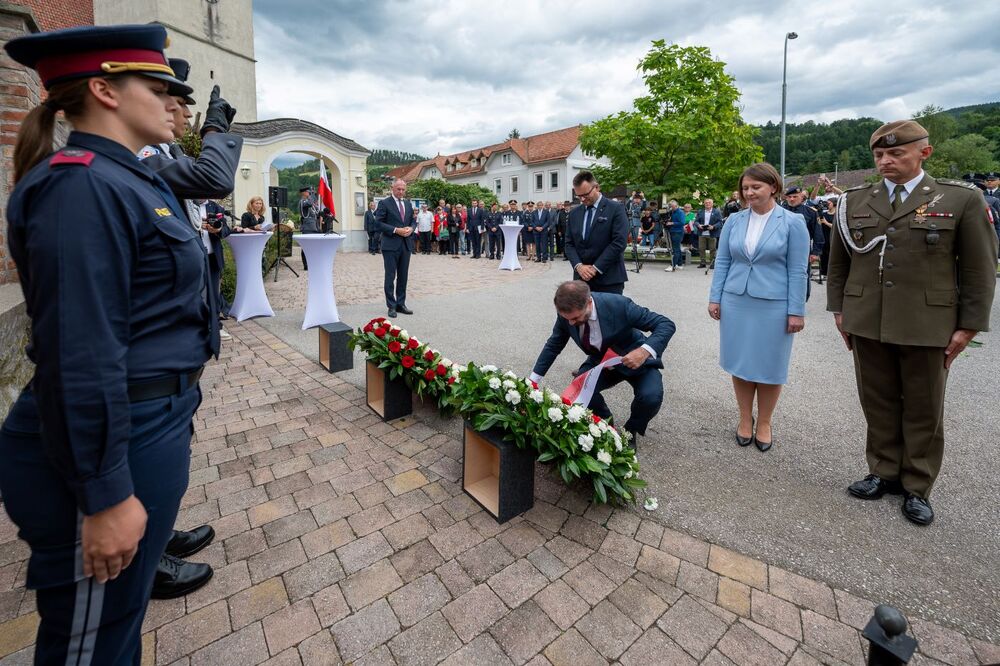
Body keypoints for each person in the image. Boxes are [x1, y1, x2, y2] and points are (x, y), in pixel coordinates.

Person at [0, 24, 216, 663]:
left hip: (151, 420)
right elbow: (80, 354)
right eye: (158, 87)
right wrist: (105, 493)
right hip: (119, 433)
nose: (173, 101)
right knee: (91, 642)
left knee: (113, 625)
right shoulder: (81, 188)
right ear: (104, 90)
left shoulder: (131, 180)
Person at [827, 120, 998, 526]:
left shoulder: (960, 199)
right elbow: (839, 264)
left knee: (923, 407)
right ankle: (883, 471)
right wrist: (840, 310)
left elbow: (979, 268)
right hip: (867, 318)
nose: (885, 161)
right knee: (878, 401)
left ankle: (917, 486)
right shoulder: (856, 200)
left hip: (928, 322)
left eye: (895, 153)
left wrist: (969, 324)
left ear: (924, 152)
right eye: (879, 155)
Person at [708, 163, 809, 453]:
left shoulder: (792, 223)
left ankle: (764, 421)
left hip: (774, 304)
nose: (749, 192)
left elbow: (798, 270)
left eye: (756, 187)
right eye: (746, 187)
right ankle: (744, 418)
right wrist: (715, 298)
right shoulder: (733, 221)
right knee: (739, 361)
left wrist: (796, 310)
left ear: (773, 187)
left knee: (770, 364)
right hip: (736, 300)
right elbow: (723, 261)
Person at [529, 281, 675, 448]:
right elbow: (554, 345)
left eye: (575, 318)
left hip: (634, 358)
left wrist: (643, 351)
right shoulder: (567, 315)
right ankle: (605, 425)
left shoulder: (619, 305)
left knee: (651, 397)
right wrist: (533, 381)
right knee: (579, 391)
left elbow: (665, 324)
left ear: (589, 302)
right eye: (566, 319)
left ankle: (630, 430)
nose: (570, 323)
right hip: (601, 361)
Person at [565, 171, 628, 294]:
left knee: (609, 313)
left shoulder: (615, 208)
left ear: (597, 187)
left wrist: (595, 268)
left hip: (609, 279)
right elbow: (569, 243)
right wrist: (579, 266)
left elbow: (619, 242)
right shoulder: (574, 213)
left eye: (585, 194)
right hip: (581, 280)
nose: (582, 199)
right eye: (579, 196)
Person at [375, 178, 416, 317]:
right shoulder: (384, 203)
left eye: (403, 189)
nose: (401, 191)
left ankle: (400, 304)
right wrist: (395, 230)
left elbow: (413, 221)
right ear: (392, 188)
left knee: (403, 276)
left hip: (406, 244)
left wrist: (411, 228)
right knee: (390, 276)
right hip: (390, 245)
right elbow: (378, 223)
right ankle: (391, 306)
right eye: (398, 189)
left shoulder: (408, 204)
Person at [696, 198, 724, 268]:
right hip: (702, 233)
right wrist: (699, 225)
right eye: (706, 203)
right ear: (704, 204)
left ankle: (712, 263)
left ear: (712, 204)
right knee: (701, 248)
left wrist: (713, 227)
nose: (707, 204)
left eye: (709, 203)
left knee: (712, 249)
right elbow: (696, 221)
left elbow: (720, 222)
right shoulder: (700, 211)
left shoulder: (717, 212)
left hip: (712, 233)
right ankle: (702, 263)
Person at [298, 187, 319, 270]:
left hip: (313, 227)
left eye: (309, 192)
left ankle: (312, 262)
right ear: (303, 193)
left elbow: (316, 210)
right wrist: (311, 195)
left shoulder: (309, 202)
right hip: (307, 227)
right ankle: (306, 265)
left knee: (314, 246)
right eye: (308, 192)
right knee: (306, 246)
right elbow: (310, 203)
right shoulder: (303, 201)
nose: (309, 193)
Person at [663, 200, 686, 272]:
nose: (672, 208)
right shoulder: (671, 212)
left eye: (673, 206)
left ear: (677, 205)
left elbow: (682, 222)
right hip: (672, 231)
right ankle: (680, 264)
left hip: (678, 232)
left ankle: (672, 265)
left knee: (675, 249)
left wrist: (672, 223)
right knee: (677, 248)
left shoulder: (680, 212)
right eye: (671, 206)